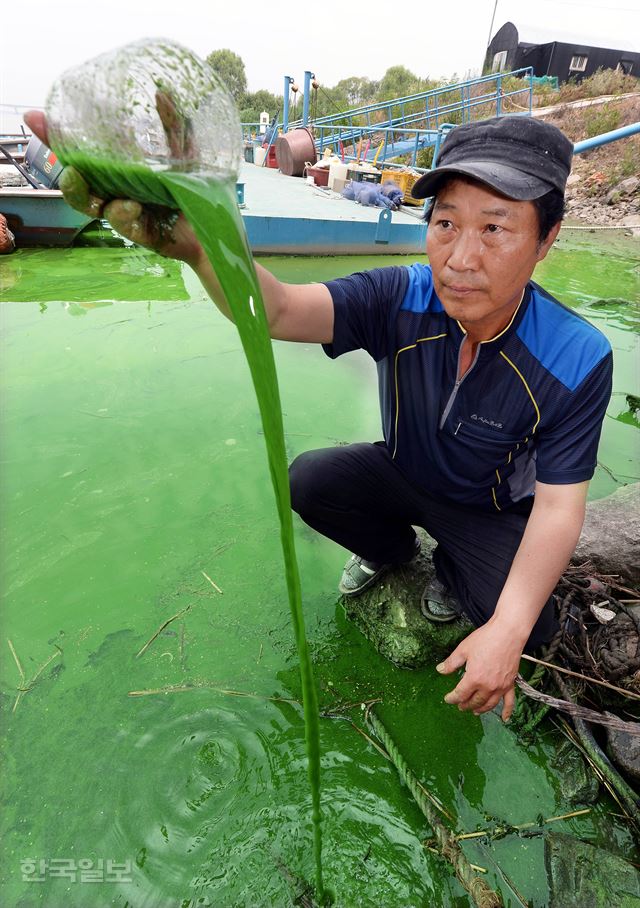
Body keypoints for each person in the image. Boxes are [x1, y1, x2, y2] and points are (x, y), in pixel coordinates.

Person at [24, 111, 612, 723]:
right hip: (404, 471)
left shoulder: (575, 356)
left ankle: (454, 569)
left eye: (495, 228)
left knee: (532, 622)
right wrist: (202, 248)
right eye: (445, 223)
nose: (461, 258)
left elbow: (558, 506)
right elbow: (278, 311)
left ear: (547, 239)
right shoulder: (401, 296)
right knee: (309, 480)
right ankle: (393, 551)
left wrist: (508, 632)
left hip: (485, 510)